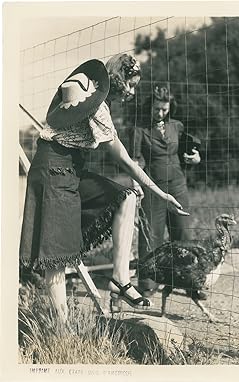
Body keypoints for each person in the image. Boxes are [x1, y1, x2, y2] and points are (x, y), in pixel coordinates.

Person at [19, 55, 188, 324]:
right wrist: (159, 191)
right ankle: (61, 330)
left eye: (135, 87)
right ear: (117, 78)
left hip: (71, 170)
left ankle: (120, 280)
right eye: (130, 85)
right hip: (52, 172)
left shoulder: (101, 104)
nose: (132, 92)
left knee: (126, 197)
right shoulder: (95, 104)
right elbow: (122, 158)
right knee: (56, 256)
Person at [129, 84, 201, 295]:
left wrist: (196, 158)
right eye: (157, 108)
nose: (160, 113)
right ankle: (148, 285)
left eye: (164, 109)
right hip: (152, 187)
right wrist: (135, 186)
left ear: (170, 107)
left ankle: (190, 283)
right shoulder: (139, 129)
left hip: (178, 185)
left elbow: (190, 152)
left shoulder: (176, 126)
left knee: (183, 234)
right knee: (151, 236)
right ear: (149, 106)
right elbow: (133, 161)